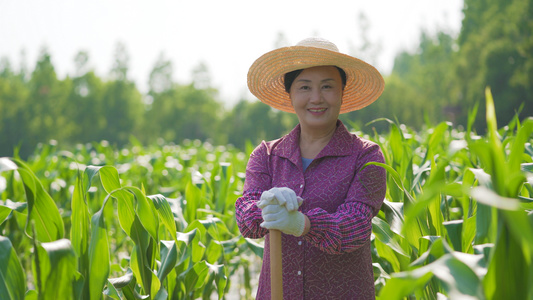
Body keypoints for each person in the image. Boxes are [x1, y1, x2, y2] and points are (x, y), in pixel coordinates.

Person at [235, 37, 387, 299]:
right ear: (290, 94)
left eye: (327, 86)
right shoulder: (267, 156)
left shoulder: (365, 156)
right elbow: (248, 222)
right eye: (304, 87)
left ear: (342, 92)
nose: (316, 98)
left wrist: (302, 223)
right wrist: (265, 204)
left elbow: (355, 226)